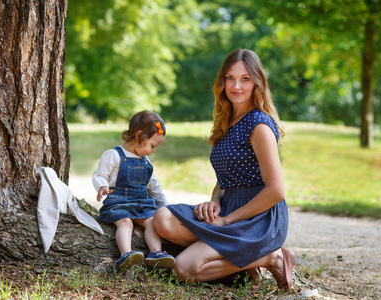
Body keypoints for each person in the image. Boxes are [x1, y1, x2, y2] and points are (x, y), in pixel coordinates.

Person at [153, 49, 294, 290]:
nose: (236, 85)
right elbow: (227, 176)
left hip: (258, 217)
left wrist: (227, 220)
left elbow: (276, 191)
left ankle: (272, 257)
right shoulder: (228, 120)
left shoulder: (259, 124)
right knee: (163, 218)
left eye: (245, 79)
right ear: (222, 81)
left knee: (184, 269)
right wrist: (215, 201)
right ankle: (245, 268)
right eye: (230, 78)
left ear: (257, 83)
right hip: (229, 208)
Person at [92, 110, 176, 270]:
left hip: (141, 203)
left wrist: (164, 206)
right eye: (152, 145)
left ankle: (156, 253)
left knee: (152, 222)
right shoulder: (114, 155)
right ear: (139, 137)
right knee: (125, 222)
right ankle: (126, 254)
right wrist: (102, 185)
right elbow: (99, 174)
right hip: (119, 203)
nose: (153, 150)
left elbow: (154, 186)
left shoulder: (145, 161)